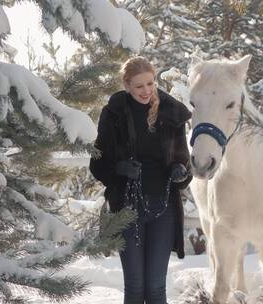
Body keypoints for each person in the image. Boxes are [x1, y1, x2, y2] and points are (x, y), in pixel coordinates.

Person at [89, 56, 192, 304]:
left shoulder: (171, 113)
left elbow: (184, 163)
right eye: (139, 86)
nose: (146, 91)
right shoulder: (113, 114)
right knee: (135, 287)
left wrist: (180, 171)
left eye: (150, 83)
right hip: (127, 208)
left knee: (155, 288)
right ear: (127, 85)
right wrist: (120, 168)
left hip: (163, 208)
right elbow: (97, 164)